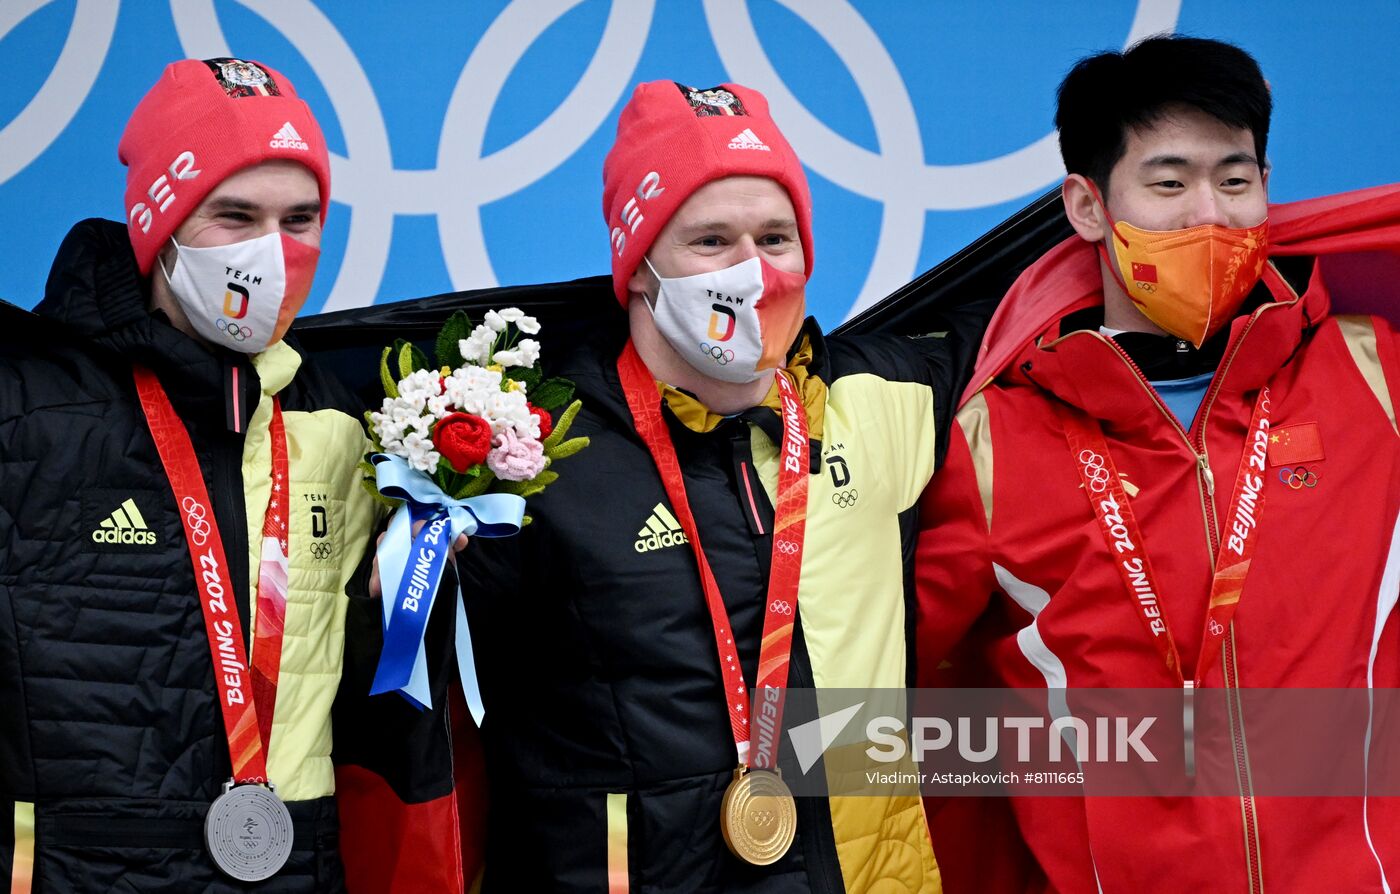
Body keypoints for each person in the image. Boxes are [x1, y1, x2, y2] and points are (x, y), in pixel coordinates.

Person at [454, 80, 995, 891]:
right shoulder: (530, 450)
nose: (754, 275)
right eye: (711, 242)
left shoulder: (893, 396)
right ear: (638, 268)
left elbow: (1051, 315)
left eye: (776, 238)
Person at [916, 36, 1400, 891]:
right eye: (1170, 183)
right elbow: (894, 700)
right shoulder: (994, 442)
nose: (1208, 214)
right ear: (1088, 207)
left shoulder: (1373, 377)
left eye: (1237, 179)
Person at [0, 58, 380, 891]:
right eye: (235, 216)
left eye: (301, 219)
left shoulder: (343, 426)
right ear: (160, 226)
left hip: (293, 869)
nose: (271, 255)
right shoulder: (23, 407)